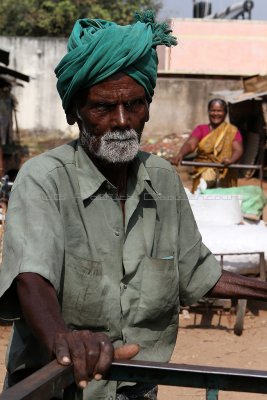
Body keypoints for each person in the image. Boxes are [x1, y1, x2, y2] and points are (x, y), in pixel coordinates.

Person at [0, 11, 267, 400]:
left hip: (136, 391)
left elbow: (196, 273)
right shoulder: (44, 179)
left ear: (148, 104)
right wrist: (64, 338)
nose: (122, 122)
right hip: (60, 389)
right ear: (74, 111)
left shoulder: (163, 180)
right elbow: (31, 276)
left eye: (135, 105)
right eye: (102, 108)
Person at [174, 98, 244, 192]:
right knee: (202, 196)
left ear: (225, 113)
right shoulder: (201, 129)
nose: (216, 114)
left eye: (219, 111)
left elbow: (238, 149)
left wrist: (230, 160)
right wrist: (181, 154)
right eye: (213, 110)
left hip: (226, 173)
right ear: (208, 112)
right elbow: (191, 144)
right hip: (204, 170)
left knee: (224, 201)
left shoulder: (232, 130)